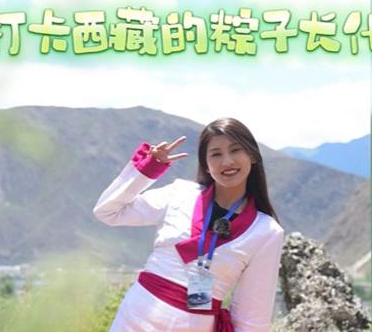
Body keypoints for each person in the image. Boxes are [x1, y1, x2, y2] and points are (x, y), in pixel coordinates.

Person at [93, 118, 285, 332]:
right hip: (135, 319)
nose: (227, 161)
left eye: (235, 150)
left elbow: (252, 319)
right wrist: (149, 168)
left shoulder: (267, 232)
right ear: (206, 165)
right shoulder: (179, 194)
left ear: (252, 156)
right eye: (216, 154)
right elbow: (108, 211)